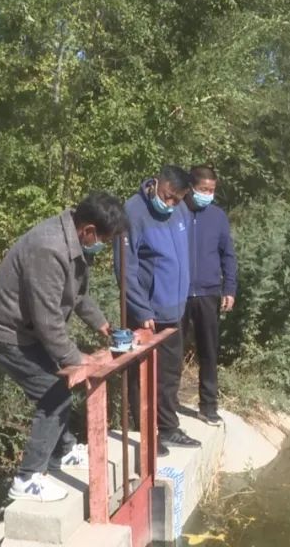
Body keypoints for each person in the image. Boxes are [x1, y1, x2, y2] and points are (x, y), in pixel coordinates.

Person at [0, 191, 128, 502]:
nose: (105, 245)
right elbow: (48, 319)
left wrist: (102, 324)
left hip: (29, 331)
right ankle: (27, 478)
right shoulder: (49, 248)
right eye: (105, 238)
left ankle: (63, 450)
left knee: (60, 386)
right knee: (55, 392)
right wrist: (77, 359)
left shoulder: (71, 241)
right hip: (8, 333)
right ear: (89, 230)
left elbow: (75, 294)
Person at [118, 165, 202, 454]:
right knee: (142, 377)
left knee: (170, 373)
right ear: (156, 183)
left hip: (175, 309)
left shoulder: (179, 210)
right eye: (167, 196)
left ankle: (167, 427)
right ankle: (146, 434)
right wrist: (142, 310)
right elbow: (125, 269)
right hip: (148, 314)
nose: (169, 204)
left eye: (176, 199)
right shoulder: (133, 212)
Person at [183, 165, 237, 427]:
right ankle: (165, 410)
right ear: (191, 187)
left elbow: (228, 254)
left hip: (209, 293)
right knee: (171, 356)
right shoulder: (176, 213)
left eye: (212, 190)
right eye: (204, 189)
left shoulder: (218, 216)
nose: (208, 194)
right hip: (178, 294)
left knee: (209, 352)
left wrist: (230, 288)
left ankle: (208, 407)